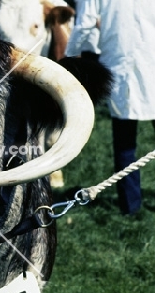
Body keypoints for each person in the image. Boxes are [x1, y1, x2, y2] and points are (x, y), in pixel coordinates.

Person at [65, 0, 155, 215]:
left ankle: (131, 207)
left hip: (122, 65)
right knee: (125, 142)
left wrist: (68, 54)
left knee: (125, 143)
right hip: (144, 61)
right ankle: (131, 208)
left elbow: (85, 23)